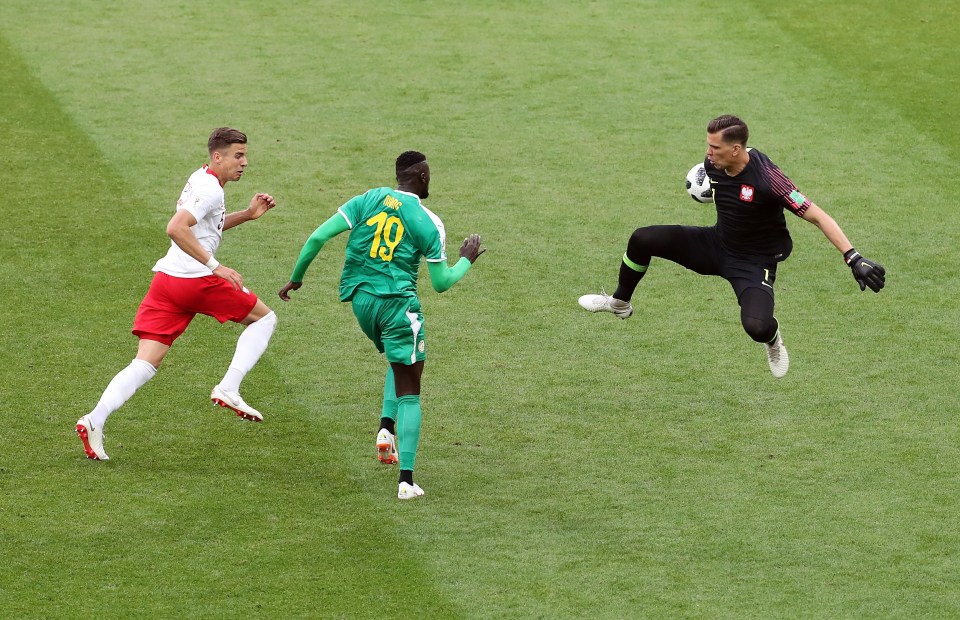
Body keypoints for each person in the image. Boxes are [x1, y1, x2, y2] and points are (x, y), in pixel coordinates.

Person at [579, 114, 886, 377]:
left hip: (753, 262)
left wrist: (852, 256)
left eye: (715, 147)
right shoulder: (712, 165)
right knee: (642, 238)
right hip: (716, 244)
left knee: (756, 325)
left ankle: (773, 339)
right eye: (708, 145)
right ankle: (619, 303)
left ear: (736, 149)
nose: (708, 153)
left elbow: (817, 215)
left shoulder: (770, 180)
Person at [278, 151, 484, 500]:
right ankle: (406, 480)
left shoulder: (368, 198)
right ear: (421, 176)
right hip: (398, 308)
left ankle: (386, 429)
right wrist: (466, 260)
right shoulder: (427, 221)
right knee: (410, 385)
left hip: (360, 302)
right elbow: (441, 282)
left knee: (397, 358)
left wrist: (296, 278)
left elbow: (316, 238)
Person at [76, 127, 279, 460]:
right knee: (265, 319)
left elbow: (201, 226)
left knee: (145, 362)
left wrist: (247, 215)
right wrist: (216, 267)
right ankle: (229, 387)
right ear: (218, 156)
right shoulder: (210, 189)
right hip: (196, 281)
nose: (244, 162)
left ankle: (94, 419)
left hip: (167, 282)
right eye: (238, 155)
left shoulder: (201, 178)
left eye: (245, 155)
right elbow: (176, 227)